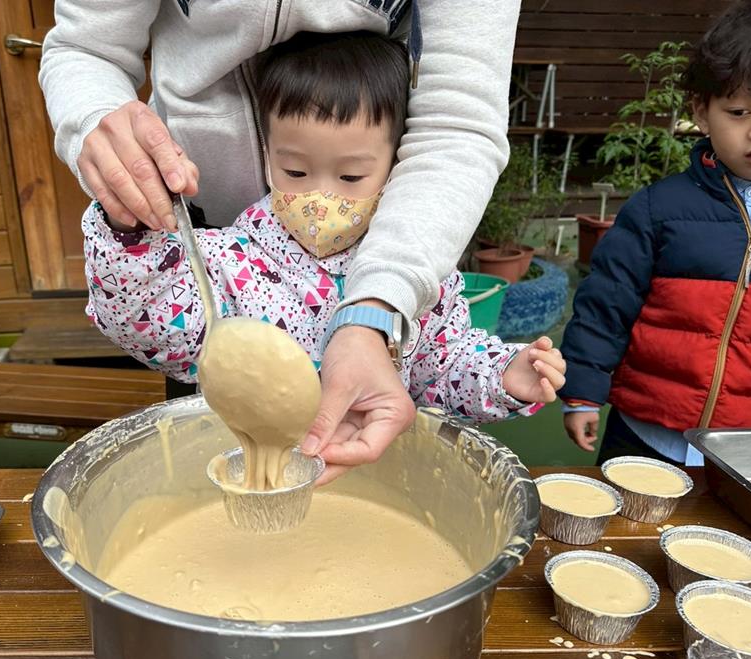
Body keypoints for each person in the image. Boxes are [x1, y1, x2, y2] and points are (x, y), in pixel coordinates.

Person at [39, 1, 521, 479]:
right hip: (236, 462)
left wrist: (502, 378)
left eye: (351, 176)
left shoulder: (418, 283)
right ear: (268, 156)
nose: (319, 200)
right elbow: (147, 324)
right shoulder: (227, 263)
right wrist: (129, 229)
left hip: (377, 472)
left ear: (398, 163)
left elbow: (444, 367)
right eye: (295, 171)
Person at [559, 0, 751, 466]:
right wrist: (582, 390)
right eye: (739, 110)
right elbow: (607, 302)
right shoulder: (659, 207)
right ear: (702, 111)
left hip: (743, 454)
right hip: (640, 434)